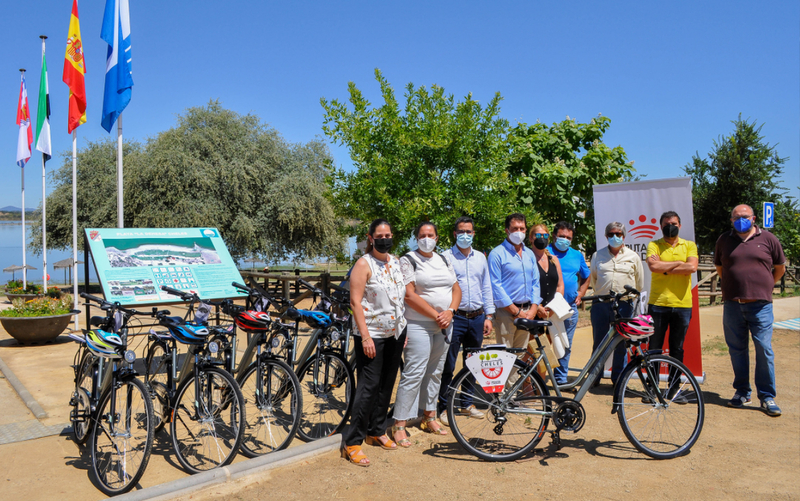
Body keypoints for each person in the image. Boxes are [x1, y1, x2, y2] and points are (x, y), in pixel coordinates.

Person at [341, 219, 407, 466]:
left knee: (387, 383)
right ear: (370, 238)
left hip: (396, 332)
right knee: (368, 387)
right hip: (372, 334)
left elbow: (400, 298)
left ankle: (376, 430)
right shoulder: (363, 264)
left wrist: (402, 326)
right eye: (380, 235)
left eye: (388, 234)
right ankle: (353, 442)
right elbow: (356, 302)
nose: (385, 239)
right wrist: (365, 336)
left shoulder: (396, 261)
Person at [392, 222, 461, 445]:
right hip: (418, 323)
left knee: (436, 372)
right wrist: (435, 314)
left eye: (430, 235)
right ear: (416, 238)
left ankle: (429, 416)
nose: (426, 238)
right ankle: (400, 423)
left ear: (437, 238)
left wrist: (450, 311)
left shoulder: (444, 259)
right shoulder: (408, 260)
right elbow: (409, 295)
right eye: (422, 235)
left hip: (444, 323)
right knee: (414, 371)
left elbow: (456, 288)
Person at [715, 204, 786, 416]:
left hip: (761, 306)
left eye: (745, 216)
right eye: (736, 217)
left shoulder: (768, 239)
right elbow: (720, 268)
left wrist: (765, 286)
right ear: (731, 220)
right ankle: (742, 392)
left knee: (764, 348)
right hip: (733, 305)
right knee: (737, 350)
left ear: (754, 218)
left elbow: (780, 268)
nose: (741, 220)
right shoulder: (724, 240)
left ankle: (766, 396)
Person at [438, 216, 494, 426]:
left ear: (473, 233)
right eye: (461, 232)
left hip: (477, 317)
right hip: (456, 318)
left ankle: (467, 403)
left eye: (468, 232)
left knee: (473, 363)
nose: (465, 235)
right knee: (449, 364)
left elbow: (486, 286)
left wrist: (488, 316)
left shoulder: (480, 257)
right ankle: (443, 406)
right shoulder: (445, 258)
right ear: (454, 234)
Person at [589, 221, 644, 384]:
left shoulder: (633, 257)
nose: (615, 237)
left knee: (621, 343)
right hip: (601, 304)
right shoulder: (597, 256)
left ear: (624, 236)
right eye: (611, 234)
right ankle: (594, 378)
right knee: (599, 342)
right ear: (606, 236)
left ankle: (618, 379)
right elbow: (594, 279)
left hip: (624, 305)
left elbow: (639, 282)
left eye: (618, 234)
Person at [646, 211, 698, 371]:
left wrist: (665, 267)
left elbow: (692, 267)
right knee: (654, 348)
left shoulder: (689, 245)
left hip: (682, 305)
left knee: (677, 349)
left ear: (680, 225)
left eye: (674, 224)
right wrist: (678, 263)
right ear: (661, 226)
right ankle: (652, 389)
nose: (670, 227)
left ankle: (673, 388)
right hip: (658, 304)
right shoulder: (654, 245)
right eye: (667, 224)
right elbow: (653, 266)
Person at [488, 213, 543, 352]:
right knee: (506, 356)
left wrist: (533, 308)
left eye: (522, 228)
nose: (519, 232)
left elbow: (535, 282)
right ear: (507, 230)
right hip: (506, 313)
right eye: (515, 228)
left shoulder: (529, 254)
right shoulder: (497, 254)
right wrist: (515, 310)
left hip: (527, 312)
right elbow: (495, 285)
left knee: (520, 355)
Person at [547, 221, 590, 385]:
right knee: (542, 344)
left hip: (568, 307)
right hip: (545, 307)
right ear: (554, 236)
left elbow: (587, 276)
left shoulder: (577, 255)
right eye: (561, 236)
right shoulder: (544, 252)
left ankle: (560, 379)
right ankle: (537, 379)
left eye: (568, 237)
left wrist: (581, 293)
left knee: (564, 344)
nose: (564, 239)